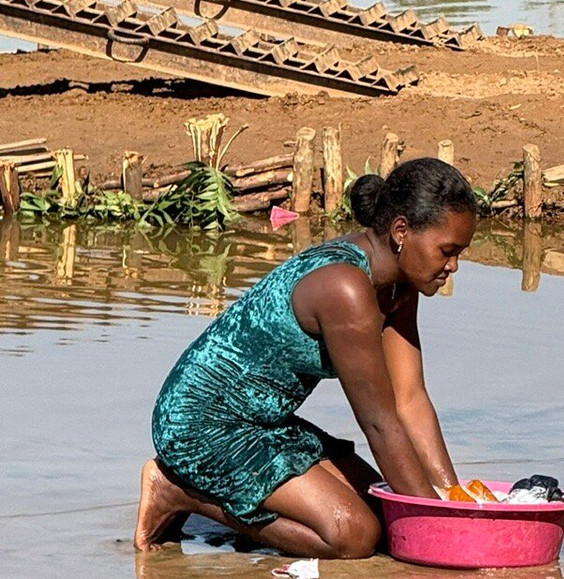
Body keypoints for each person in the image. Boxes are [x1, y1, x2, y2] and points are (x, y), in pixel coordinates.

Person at [134, 157, 478, 558]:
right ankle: (178, 492)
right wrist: (434, 526)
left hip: (264, 422)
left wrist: (453, 501)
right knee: (354, 536)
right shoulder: (345, 288)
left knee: (383, 513)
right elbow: (380, 423)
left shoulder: (400, 289)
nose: (452, 266)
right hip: (202, 423)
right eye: (447, 251)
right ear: (401, 231)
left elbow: (410, 400)